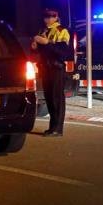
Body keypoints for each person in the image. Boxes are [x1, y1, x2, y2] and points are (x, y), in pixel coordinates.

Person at [31, 8, 71, 137]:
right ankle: (52, 127)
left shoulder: (61, 31)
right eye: (46, 16)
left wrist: (47, 43)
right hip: (46, 68)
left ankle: (57, 128)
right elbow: (40, 52)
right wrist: (35, 48)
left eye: (51, 16)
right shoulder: (42, 31)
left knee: (56, 99)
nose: (48, 19)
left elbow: (62, 52)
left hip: (56, 68)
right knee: (49, 98)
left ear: (56, 17)